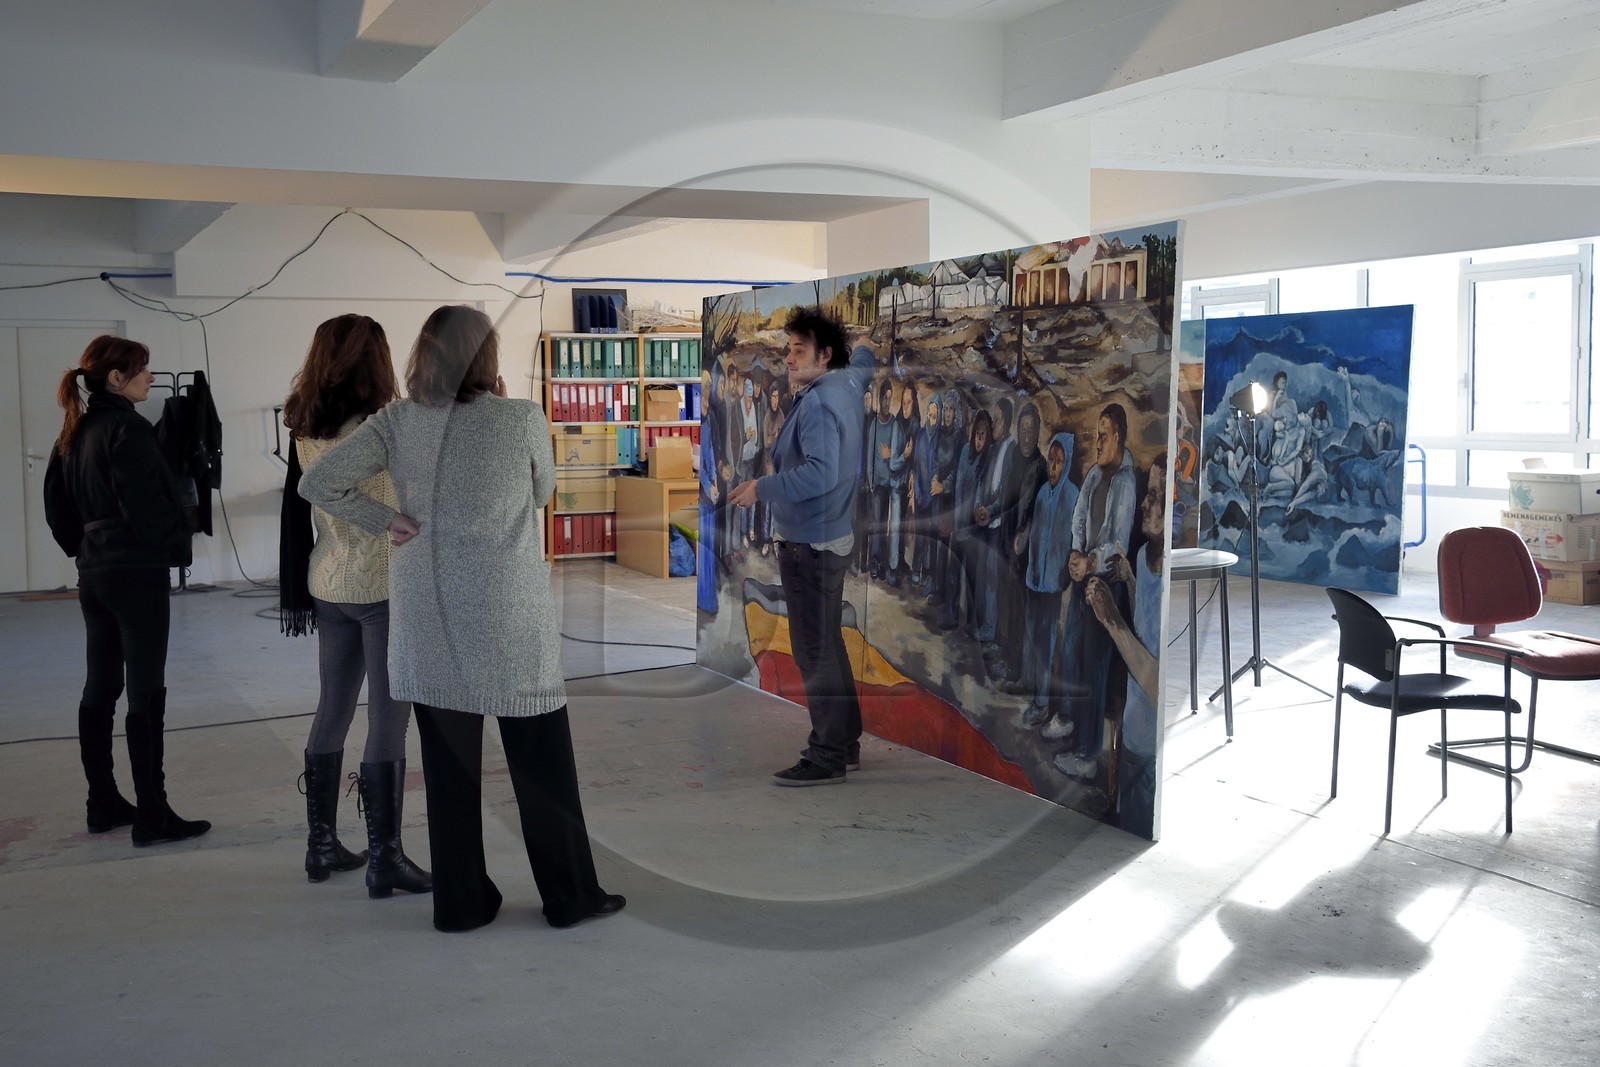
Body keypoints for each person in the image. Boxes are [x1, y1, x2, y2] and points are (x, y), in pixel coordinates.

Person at [299, 305, 622, 932]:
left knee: (448, 774)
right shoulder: (523, 418)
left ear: (423, 355)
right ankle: (570, 897)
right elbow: (540, 493)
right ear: (488, 359)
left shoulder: (397, 421)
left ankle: (462, 904)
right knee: (542, 766)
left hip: (429, 618)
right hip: (509, 616)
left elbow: (320, 482)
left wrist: (384, 521)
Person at [279, 313, 430, 894]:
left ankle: (321, 845)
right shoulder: (383, 426)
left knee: (333, 708)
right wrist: (390, 517)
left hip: (329, 582)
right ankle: (385, 858)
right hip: (383, 588)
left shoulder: (303, 420)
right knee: (388, 721)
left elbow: (318, 498)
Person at [43, 335, 210, 845]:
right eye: (142, 369)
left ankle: (103, 803)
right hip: (134, 573)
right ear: (115, 378)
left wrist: (86, 549)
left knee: (100, 688)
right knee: (144, 692)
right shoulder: (128, 430)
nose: (150, 377)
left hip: (94, 575)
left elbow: (56, 508)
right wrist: (177, 547)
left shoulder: (72, 433)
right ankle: (153, 815)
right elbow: (149, 506)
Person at [728, 308, 874, 786]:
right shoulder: (847, 385)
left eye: (798, 351)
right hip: (832, 540)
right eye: (787, 349)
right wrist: (870, 346)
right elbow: (864, 363)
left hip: (810, 544)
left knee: (814, 650)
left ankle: (827, 754)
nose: (788, 359)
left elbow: (820, 474)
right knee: (828, 642)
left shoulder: (816, 404)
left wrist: (762, 489)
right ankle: (845, 741)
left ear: (825, 356)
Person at [1048, 403, 1137, 778]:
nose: (1098, 442)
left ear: (1117, 436)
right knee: (1072, 653)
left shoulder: (1127, 483)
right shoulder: (1093, 477)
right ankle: (1070, 721)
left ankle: (1086, 755)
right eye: (1096, 435)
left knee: (1094, 670)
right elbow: (1080, 517)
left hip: (1105, 589)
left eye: (1103, 435)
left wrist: (1090, 562)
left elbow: (1118, 543)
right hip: (1084, 577)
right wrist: (1074, 551)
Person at [1085, 452, 1167, 837]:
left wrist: (1111, 620)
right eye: (1149, 492)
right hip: (1132, 734)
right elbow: (1146, 626)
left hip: (1150, 751)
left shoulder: (1173, 581)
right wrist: (1132, 583)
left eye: (1156, 495)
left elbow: (1157, 683)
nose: (1147, 503)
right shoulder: (1141, 556)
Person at [1019, 432, 1078, 725]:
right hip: (1036, 580)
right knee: (1035, 639)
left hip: (1056, 585)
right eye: (1051, 461)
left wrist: (1064, 576)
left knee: (1049, 641)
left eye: (1059, 462)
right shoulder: (1043, 493)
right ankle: (1034, 693)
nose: (1053, 468)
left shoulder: (1073, 496)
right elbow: (1035, 537)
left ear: (1066, 464)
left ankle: (1043, 703)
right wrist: (1032, 568)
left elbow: (1072, 541)